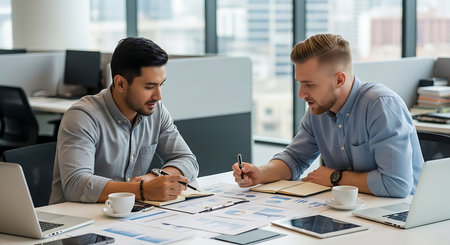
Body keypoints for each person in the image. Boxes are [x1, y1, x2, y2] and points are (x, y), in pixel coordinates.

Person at [233, 33, 424, 198]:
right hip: (355, 209)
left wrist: (335, 178)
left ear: (339, 79)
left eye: (310, 84)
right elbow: (295, 158)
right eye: (300, 83)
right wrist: (260, 173)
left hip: (401, 214)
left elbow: (396, 185)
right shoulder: (318, 110)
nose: (301, 94)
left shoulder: (380, 106)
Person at [49, 37, 199, 204]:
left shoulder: (156, 111)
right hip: (77, 221)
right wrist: (141, 190)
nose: (158, 96)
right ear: (120, 83)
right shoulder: (83, 116)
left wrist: (152, 178)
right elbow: (76, 186)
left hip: (125, 217)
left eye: (161, 84)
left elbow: (188, 160)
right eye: (149, 87)